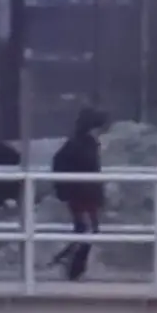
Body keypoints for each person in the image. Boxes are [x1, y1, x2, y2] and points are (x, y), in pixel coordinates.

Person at [49, 107, 105, 281]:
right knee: (87, 230)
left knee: (86, 230)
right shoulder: (82, 145)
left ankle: (72, 263)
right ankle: (73, 267)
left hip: (85, 194)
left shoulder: (83, 143)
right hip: (82, 194)